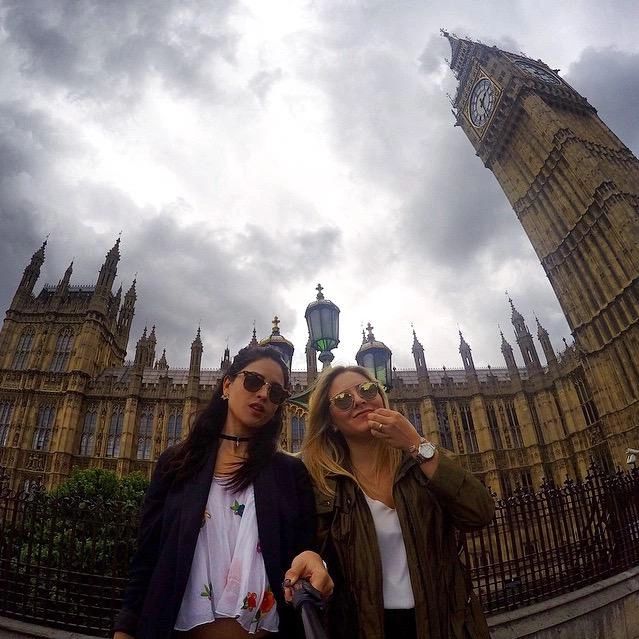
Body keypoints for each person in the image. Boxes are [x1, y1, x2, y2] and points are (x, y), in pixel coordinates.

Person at [113, 345, 332, 639]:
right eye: (253, 381)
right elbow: (147, 557)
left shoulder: (290, 473)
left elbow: (304, 555)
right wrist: (125, 628)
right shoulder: (177, 463)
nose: (263, 395)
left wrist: (315, 562)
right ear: (227, 385)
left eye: (276, 393)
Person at [301, 365, 495, 639]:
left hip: (443, 624)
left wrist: (415, 443)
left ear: (382, 397)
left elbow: (480, 513)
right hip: (367, 628)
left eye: (367, 390)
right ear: (330, 420)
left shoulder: (423, 463)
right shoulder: (324, 484)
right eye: (343, 400)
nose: (359, 401)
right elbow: (310, 552)